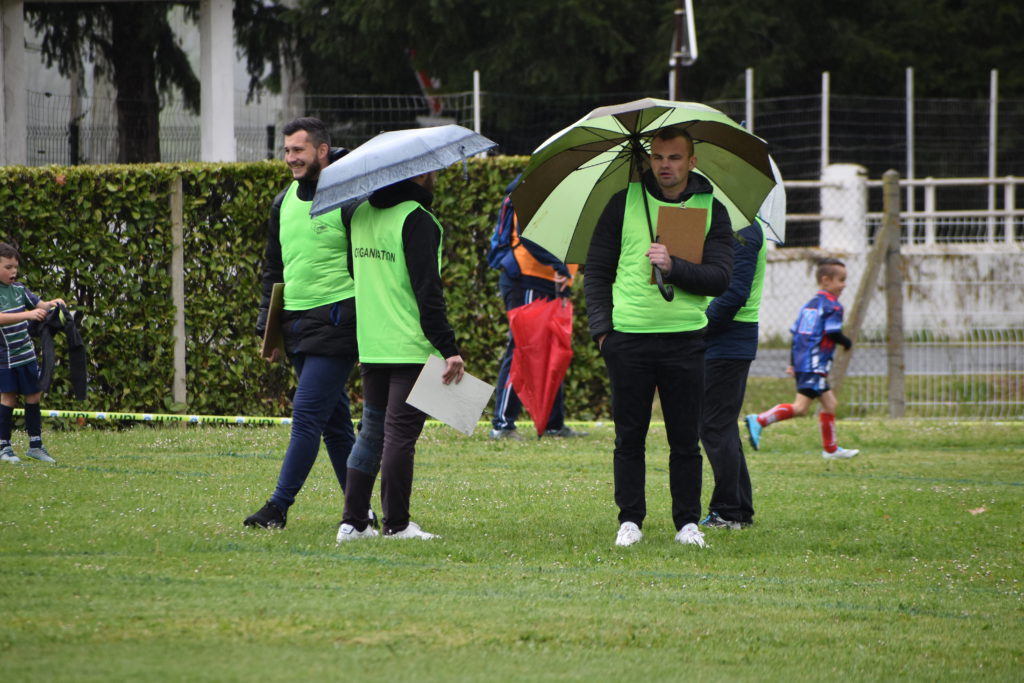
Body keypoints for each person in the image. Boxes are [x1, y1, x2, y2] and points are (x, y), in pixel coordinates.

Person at [584, 127, 734, 549]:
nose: (665, 165)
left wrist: (675, 267)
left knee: (685, 440)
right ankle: (630, 520)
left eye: (674, 157)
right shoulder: (623, 203)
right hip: (626, 340)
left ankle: (687, 523)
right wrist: (603, 331)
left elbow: (721, 279)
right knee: (628, 438)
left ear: (692, 162)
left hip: (685, 340)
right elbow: (596, 270)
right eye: (658, 157)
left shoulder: (711, 209)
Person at [244, 117, 366, 530]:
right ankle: (361, 512)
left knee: (307, 415)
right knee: (335, 427)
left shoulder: (350, 198)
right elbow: (273, 268)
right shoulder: (282, 203)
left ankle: (277, 508)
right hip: (295, 327)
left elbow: (366, 264)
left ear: (322, 150)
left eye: (298, 150)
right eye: (287, 151)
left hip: (337, 324)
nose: (291, 158)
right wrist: (268, 326)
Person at [336, 170, 463, 541]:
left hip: (372, 344)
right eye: (434, 170)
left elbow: (353, 270)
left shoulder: (359, 214)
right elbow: (429, 291)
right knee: (399, 438)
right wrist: (449, 348)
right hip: (410, 346)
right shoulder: (418, 219)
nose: (436, 175)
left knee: (371, 433)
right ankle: (396, 524)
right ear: (420, 173)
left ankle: (354, 522)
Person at [489, 176, 586, 440]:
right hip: (526, 277)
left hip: (549, 281)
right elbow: (529, 237)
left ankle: (553, 424)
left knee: (552, 348)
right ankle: (502, 424)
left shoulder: (565, 195)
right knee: (522, 347)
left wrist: (566, 275)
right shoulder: (536, 189)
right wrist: (560, 266)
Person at [745, 257, 860, 459]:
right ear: (826, 280)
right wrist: (847, 342)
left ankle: (831, 449)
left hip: (804, 360)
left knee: (830, 404)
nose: (844, 285)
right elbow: (833, 333)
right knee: (800, 408)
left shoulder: (809, 305)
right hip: (814, 363)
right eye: (841, 280)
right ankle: (760, 420)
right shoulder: (833, 306)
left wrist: (793, 362)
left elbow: (797, 335)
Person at [698, 219, 767, 530]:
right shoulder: (724, 225)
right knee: (720, 426)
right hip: (720, 337)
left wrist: (698, 328)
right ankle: (738, 508)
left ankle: (728, 511)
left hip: (727, 338)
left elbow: (735, 292)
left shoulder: (745, 229)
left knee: (714, 427)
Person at [0, 243, 65, 464]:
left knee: (33, 395)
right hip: (6, 357)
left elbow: (41, 305)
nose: (13, 272)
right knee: (9, 397)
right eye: (8, 267)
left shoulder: (20, 289)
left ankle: (35, 446)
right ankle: (4, 447)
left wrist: (53, 304)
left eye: (15, 267)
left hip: (26, 354)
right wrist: (27, 315)